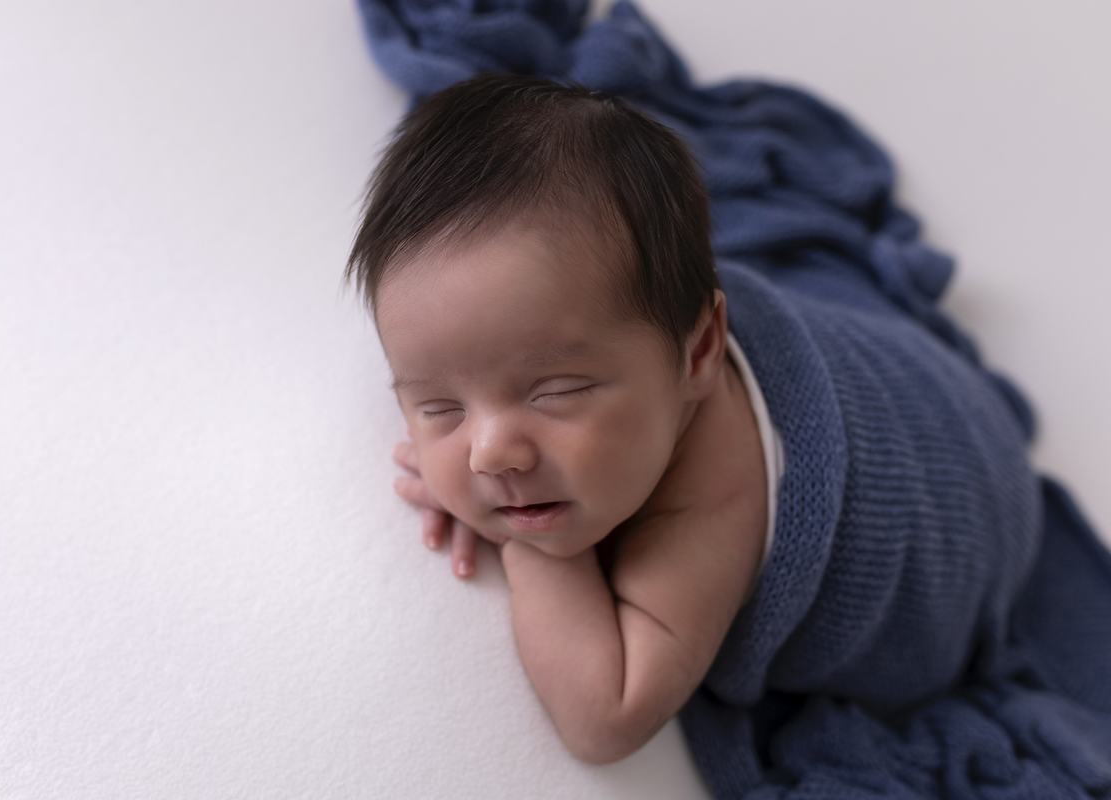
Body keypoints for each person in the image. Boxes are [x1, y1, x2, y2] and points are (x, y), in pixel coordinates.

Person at [345, 71, 1110, 793]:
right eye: (438, 408)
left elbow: (605, 714)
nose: (489, 452)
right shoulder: (620, 347)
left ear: (702, 352)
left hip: (962, 518)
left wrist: (529, 545)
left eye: (557, 392)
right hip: (921, 372)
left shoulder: (711, 502)